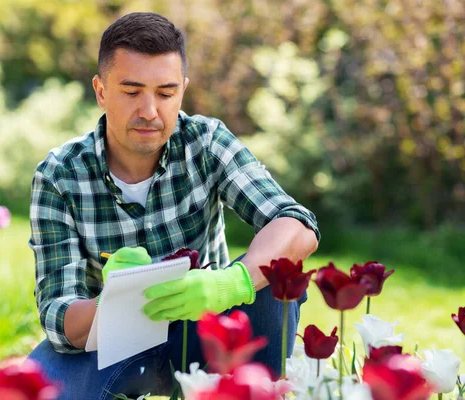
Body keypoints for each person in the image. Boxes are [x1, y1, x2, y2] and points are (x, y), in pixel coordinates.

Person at [28, 11, 320, 399]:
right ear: (101, 91)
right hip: (115, 343)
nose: (149, 111)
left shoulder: (207, 141)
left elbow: (296, 225)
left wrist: (232, 283)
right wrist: (112, 301)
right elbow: (57, 312)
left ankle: (250, 392)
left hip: (208, 332)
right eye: (132, 92)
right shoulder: (59, 174)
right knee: (36, 389)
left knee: (271, 279)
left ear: (181, 90)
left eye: (165, 93)